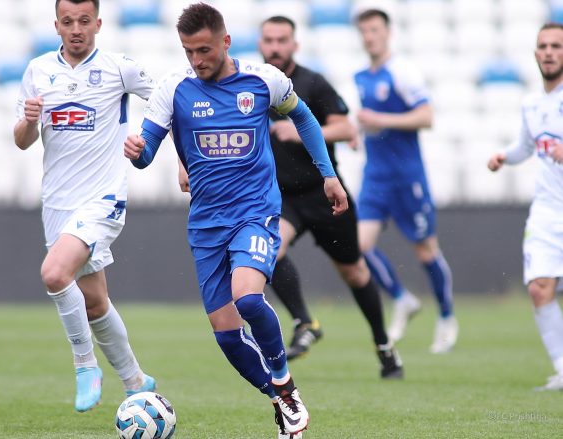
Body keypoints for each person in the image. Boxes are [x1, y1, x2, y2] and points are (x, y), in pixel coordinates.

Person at [124, 3, 349, 437]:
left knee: (247, 298)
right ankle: (279, 397)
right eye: (188, 51)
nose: (196, 60)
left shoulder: (263, 81)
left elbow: (303, 116)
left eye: (204, 50)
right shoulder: (174, 88)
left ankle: (283, 381)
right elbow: (147, 151)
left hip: (255, 212)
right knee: (226, 333)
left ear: (225, 41)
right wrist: (138, 152)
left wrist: (329, 175)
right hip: (206, 222)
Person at [13, 0, 156, 412]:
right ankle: (136, 381)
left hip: (103, 198)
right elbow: (22, 141)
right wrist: (29, 120)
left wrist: (147, 139)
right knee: (94, 301)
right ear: (57, 25)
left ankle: (84, 365)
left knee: (54, 274)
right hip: (58, 204)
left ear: (98, 24)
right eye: (68, 21)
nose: (76, 28)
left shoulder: (119, 68)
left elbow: (168, 101)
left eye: (84, 21)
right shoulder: (38, 70)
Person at [255, 15, 402, 378]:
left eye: (282, 40)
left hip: (323, 194)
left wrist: (302, 131)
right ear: (260, 44)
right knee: (270, 251)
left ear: (295, 45)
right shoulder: (252, 85)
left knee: (354, 272)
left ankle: (384, 346)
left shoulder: (312, 83)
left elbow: (346, 128)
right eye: (269, 40)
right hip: (282, 198)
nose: (275, 47)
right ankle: (305, 322)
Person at [353, 8, 457, 353]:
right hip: (375, 176)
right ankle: (402, 298)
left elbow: (427, 117)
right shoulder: (361, 76)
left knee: (425, 250)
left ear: (388, 32)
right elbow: (369, 123)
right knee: (359, 246)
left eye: (374, 30)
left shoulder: (403, 71)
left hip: (407, 176)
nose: (369, 37)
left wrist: (380, 119)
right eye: (364, 31)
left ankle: (446, 317)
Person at [487, 23, 563, 391]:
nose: (549, 52)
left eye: (556, 46)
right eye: (543, 46)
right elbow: (527, 147)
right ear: (535, 54)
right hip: (547, 210)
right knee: (539, 289)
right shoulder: (532, 104)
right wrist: (505, 156)